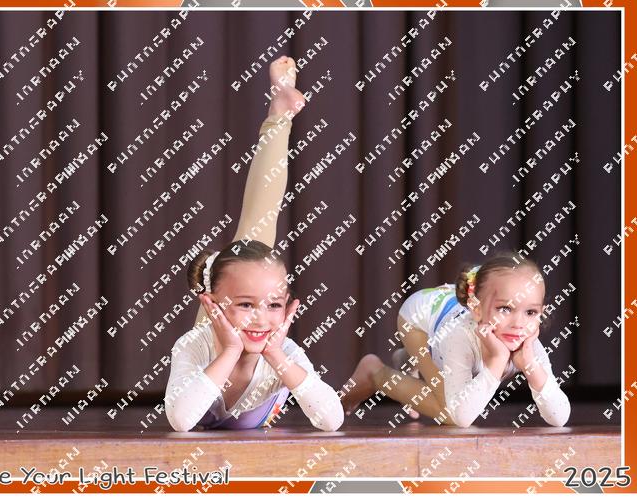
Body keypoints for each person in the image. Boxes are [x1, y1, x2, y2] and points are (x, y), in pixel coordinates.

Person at [164, 56, 344, 432]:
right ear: (211, 305)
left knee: (256, 244)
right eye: (246, 305)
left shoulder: (284, 351)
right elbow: (181, 421)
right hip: (218, 330)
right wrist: (230, 350)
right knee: (255, 237)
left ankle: (280, 114)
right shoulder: (196, 345)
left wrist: (277, 356)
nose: (261, 318)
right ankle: (279, 115)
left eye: (275, 305)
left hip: (262, 351)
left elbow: (332, 420)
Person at [341, 250, 571, 428]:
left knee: (448, 396)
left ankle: (410, 359)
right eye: (505, 309)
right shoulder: (459, 337)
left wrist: (532, 368)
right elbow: (461, 417)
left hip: (448, 316)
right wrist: (497, 362)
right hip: (418, 319)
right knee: (448, 414)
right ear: (477, 309)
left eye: (530, 312)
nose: (519, 323)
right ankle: (375, 373)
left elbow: (560, 417)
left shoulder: (529, 345)